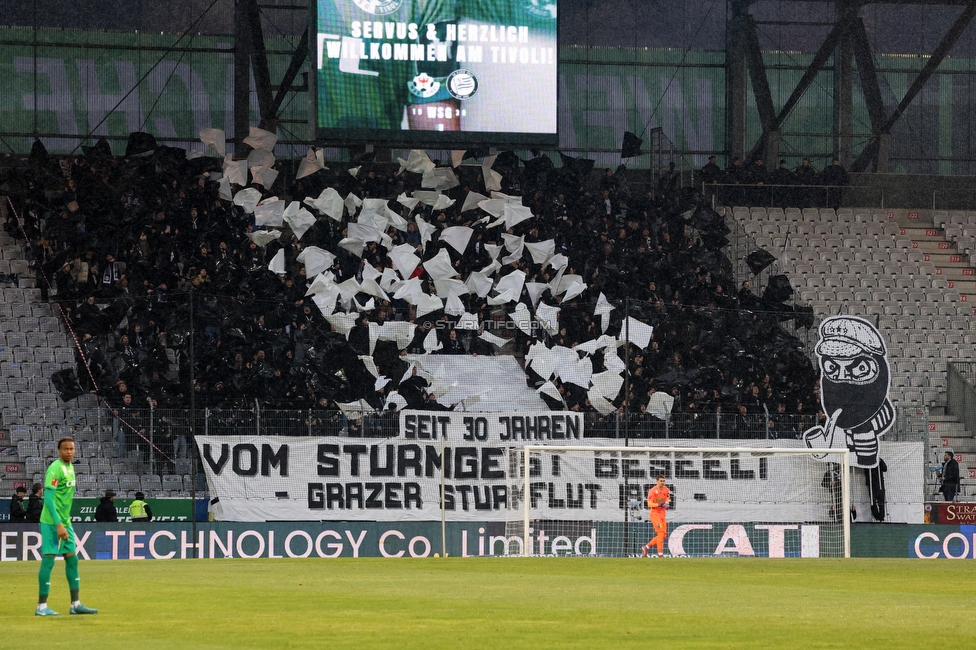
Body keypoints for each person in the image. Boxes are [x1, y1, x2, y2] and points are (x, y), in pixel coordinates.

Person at [36, 437, 98, 616]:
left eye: (72, 449)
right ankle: (41, 606)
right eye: (66, 449)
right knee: (49, 560)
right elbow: (48, 499)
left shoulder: (70, 468)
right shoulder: (55, 469)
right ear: (59, 451)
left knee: (72, 559)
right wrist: (58, 525)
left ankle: (75, 604)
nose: (69, 452)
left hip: (65, 522)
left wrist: (64, 523)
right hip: (51, 522)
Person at [641, 475, 670, 558]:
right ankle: (660, 554)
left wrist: (666, 503)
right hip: (655, 515)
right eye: (661, 481)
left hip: (662, 515)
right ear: (657, 481)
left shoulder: (666, 490)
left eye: (663, 481)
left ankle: (646, 547)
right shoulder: (652, 491)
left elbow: (667, 499)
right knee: (660, 533)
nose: (662, 482)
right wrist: (659, 505)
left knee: (663, 535)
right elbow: (649, 504)